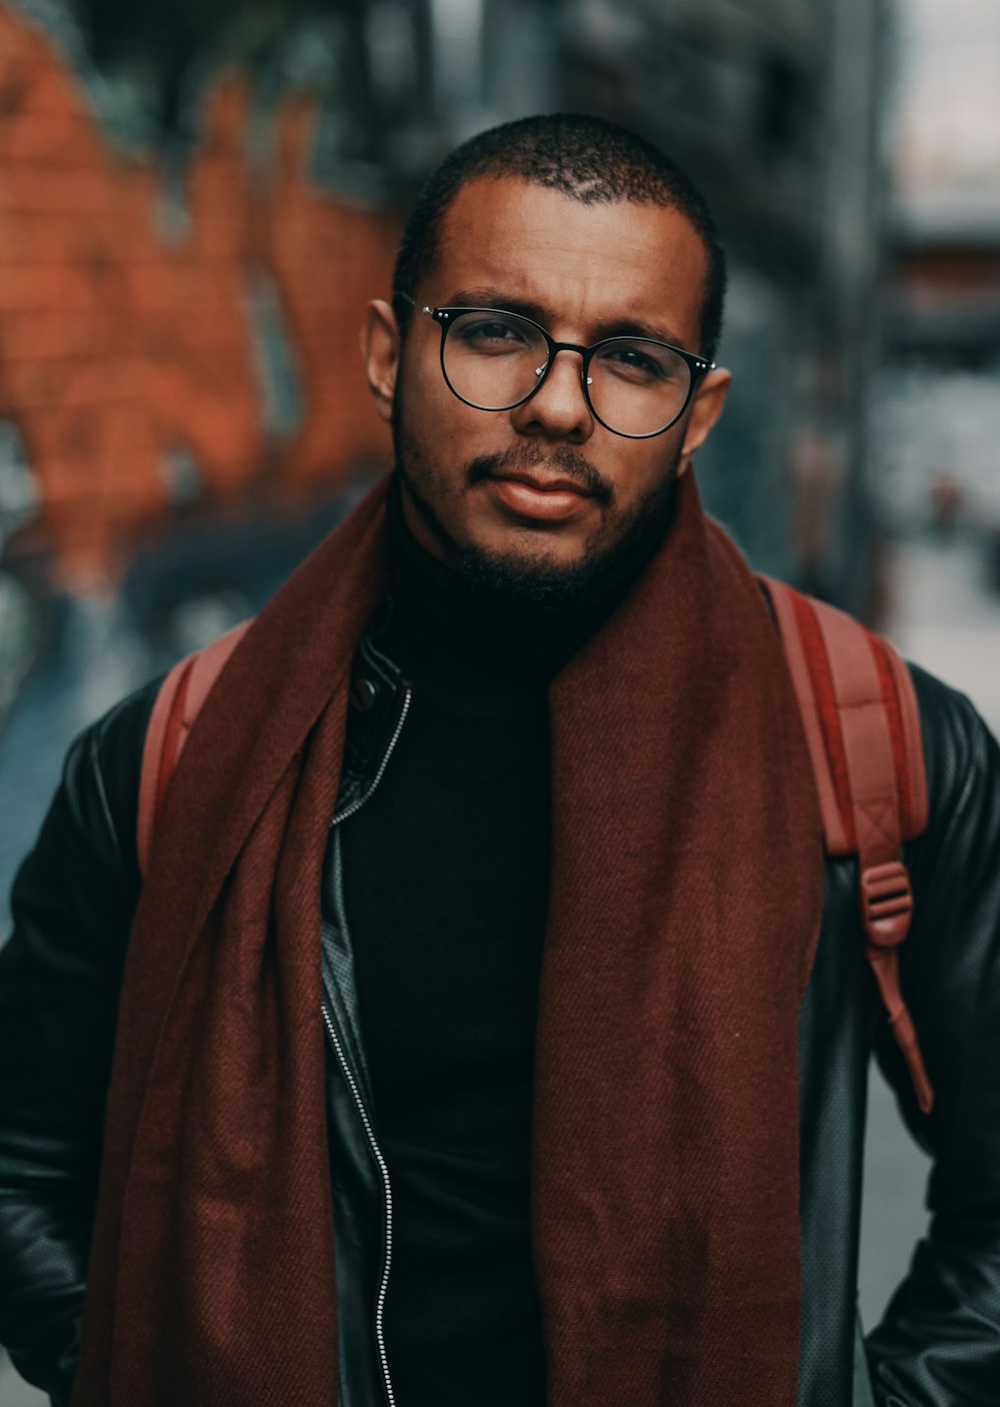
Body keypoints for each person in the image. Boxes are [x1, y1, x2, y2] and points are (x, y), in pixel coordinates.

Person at [1, 113, 998, 1407]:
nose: (556, 406)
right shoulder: (175, 758)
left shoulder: (874, 742)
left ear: (698, 416)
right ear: (384, 354)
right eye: (495, 332)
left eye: (630, 359)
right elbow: (20, 1172)